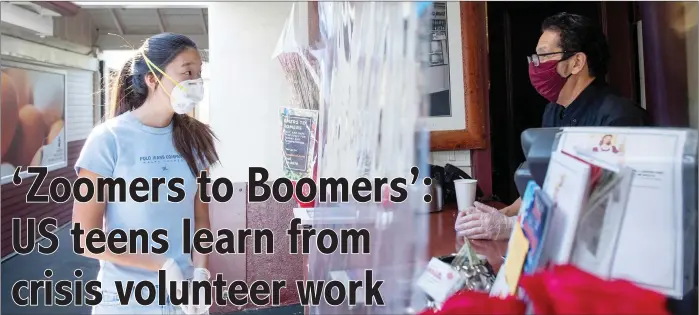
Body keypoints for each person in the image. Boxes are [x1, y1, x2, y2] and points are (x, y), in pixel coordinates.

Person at [455, 12, 650, 240]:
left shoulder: (619, 118)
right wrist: (500, 214)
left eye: (544, 55)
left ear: (576, 62)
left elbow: (606, 206)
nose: (536, 65)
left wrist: (513, 227)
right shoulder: (553, 110)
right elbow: (543, 181)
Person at [72, 33, 218, 314]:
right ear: (152, 78)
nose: (196, 82)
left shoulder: (196, 139)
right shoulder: (108, 139)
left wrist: (200, 274)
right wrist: (163, 265)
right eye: (187, 72)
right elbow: (85, 238)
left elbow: (200, 221)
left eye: (199, 73)